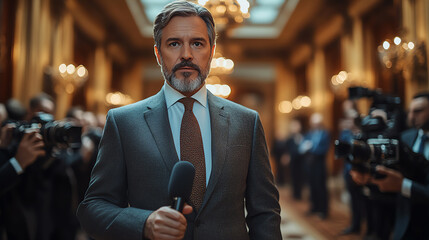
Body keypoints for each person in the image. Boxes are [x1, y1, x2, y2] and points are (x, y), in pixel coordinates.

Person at [77, 1, 281, 240]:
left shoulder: (247, 122)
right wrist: (145, 223)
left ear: (212, 52)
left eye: (197, 43)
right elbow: (93, 207)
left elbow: (265, 213)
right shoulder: (123, 122)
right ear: (158, 53)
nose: (186, 54)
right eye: (174, 43)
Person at [369, 92, 429, 240]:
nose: (412, 116)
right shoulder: (405, 137)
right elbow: (392, 184)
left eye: (419, 110)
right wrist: (369, 177)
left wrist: (403, 185)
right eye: (410, 111)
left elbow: (401, 184)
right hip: (405, 223)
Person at [300, 112, 330, 219]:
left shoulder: (325, 133)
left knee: (321, 187)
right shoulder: (309, 133)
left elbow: (324, 149)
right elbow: (302, 147)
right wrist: (305, 147)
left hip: (320, 164)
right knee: (312, 187)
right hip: (310, 164)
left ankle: (323, 210)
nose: (315, 125)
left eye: (317, 123)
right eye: (313, 123)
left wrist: (311, 148)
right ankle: (314, 207)